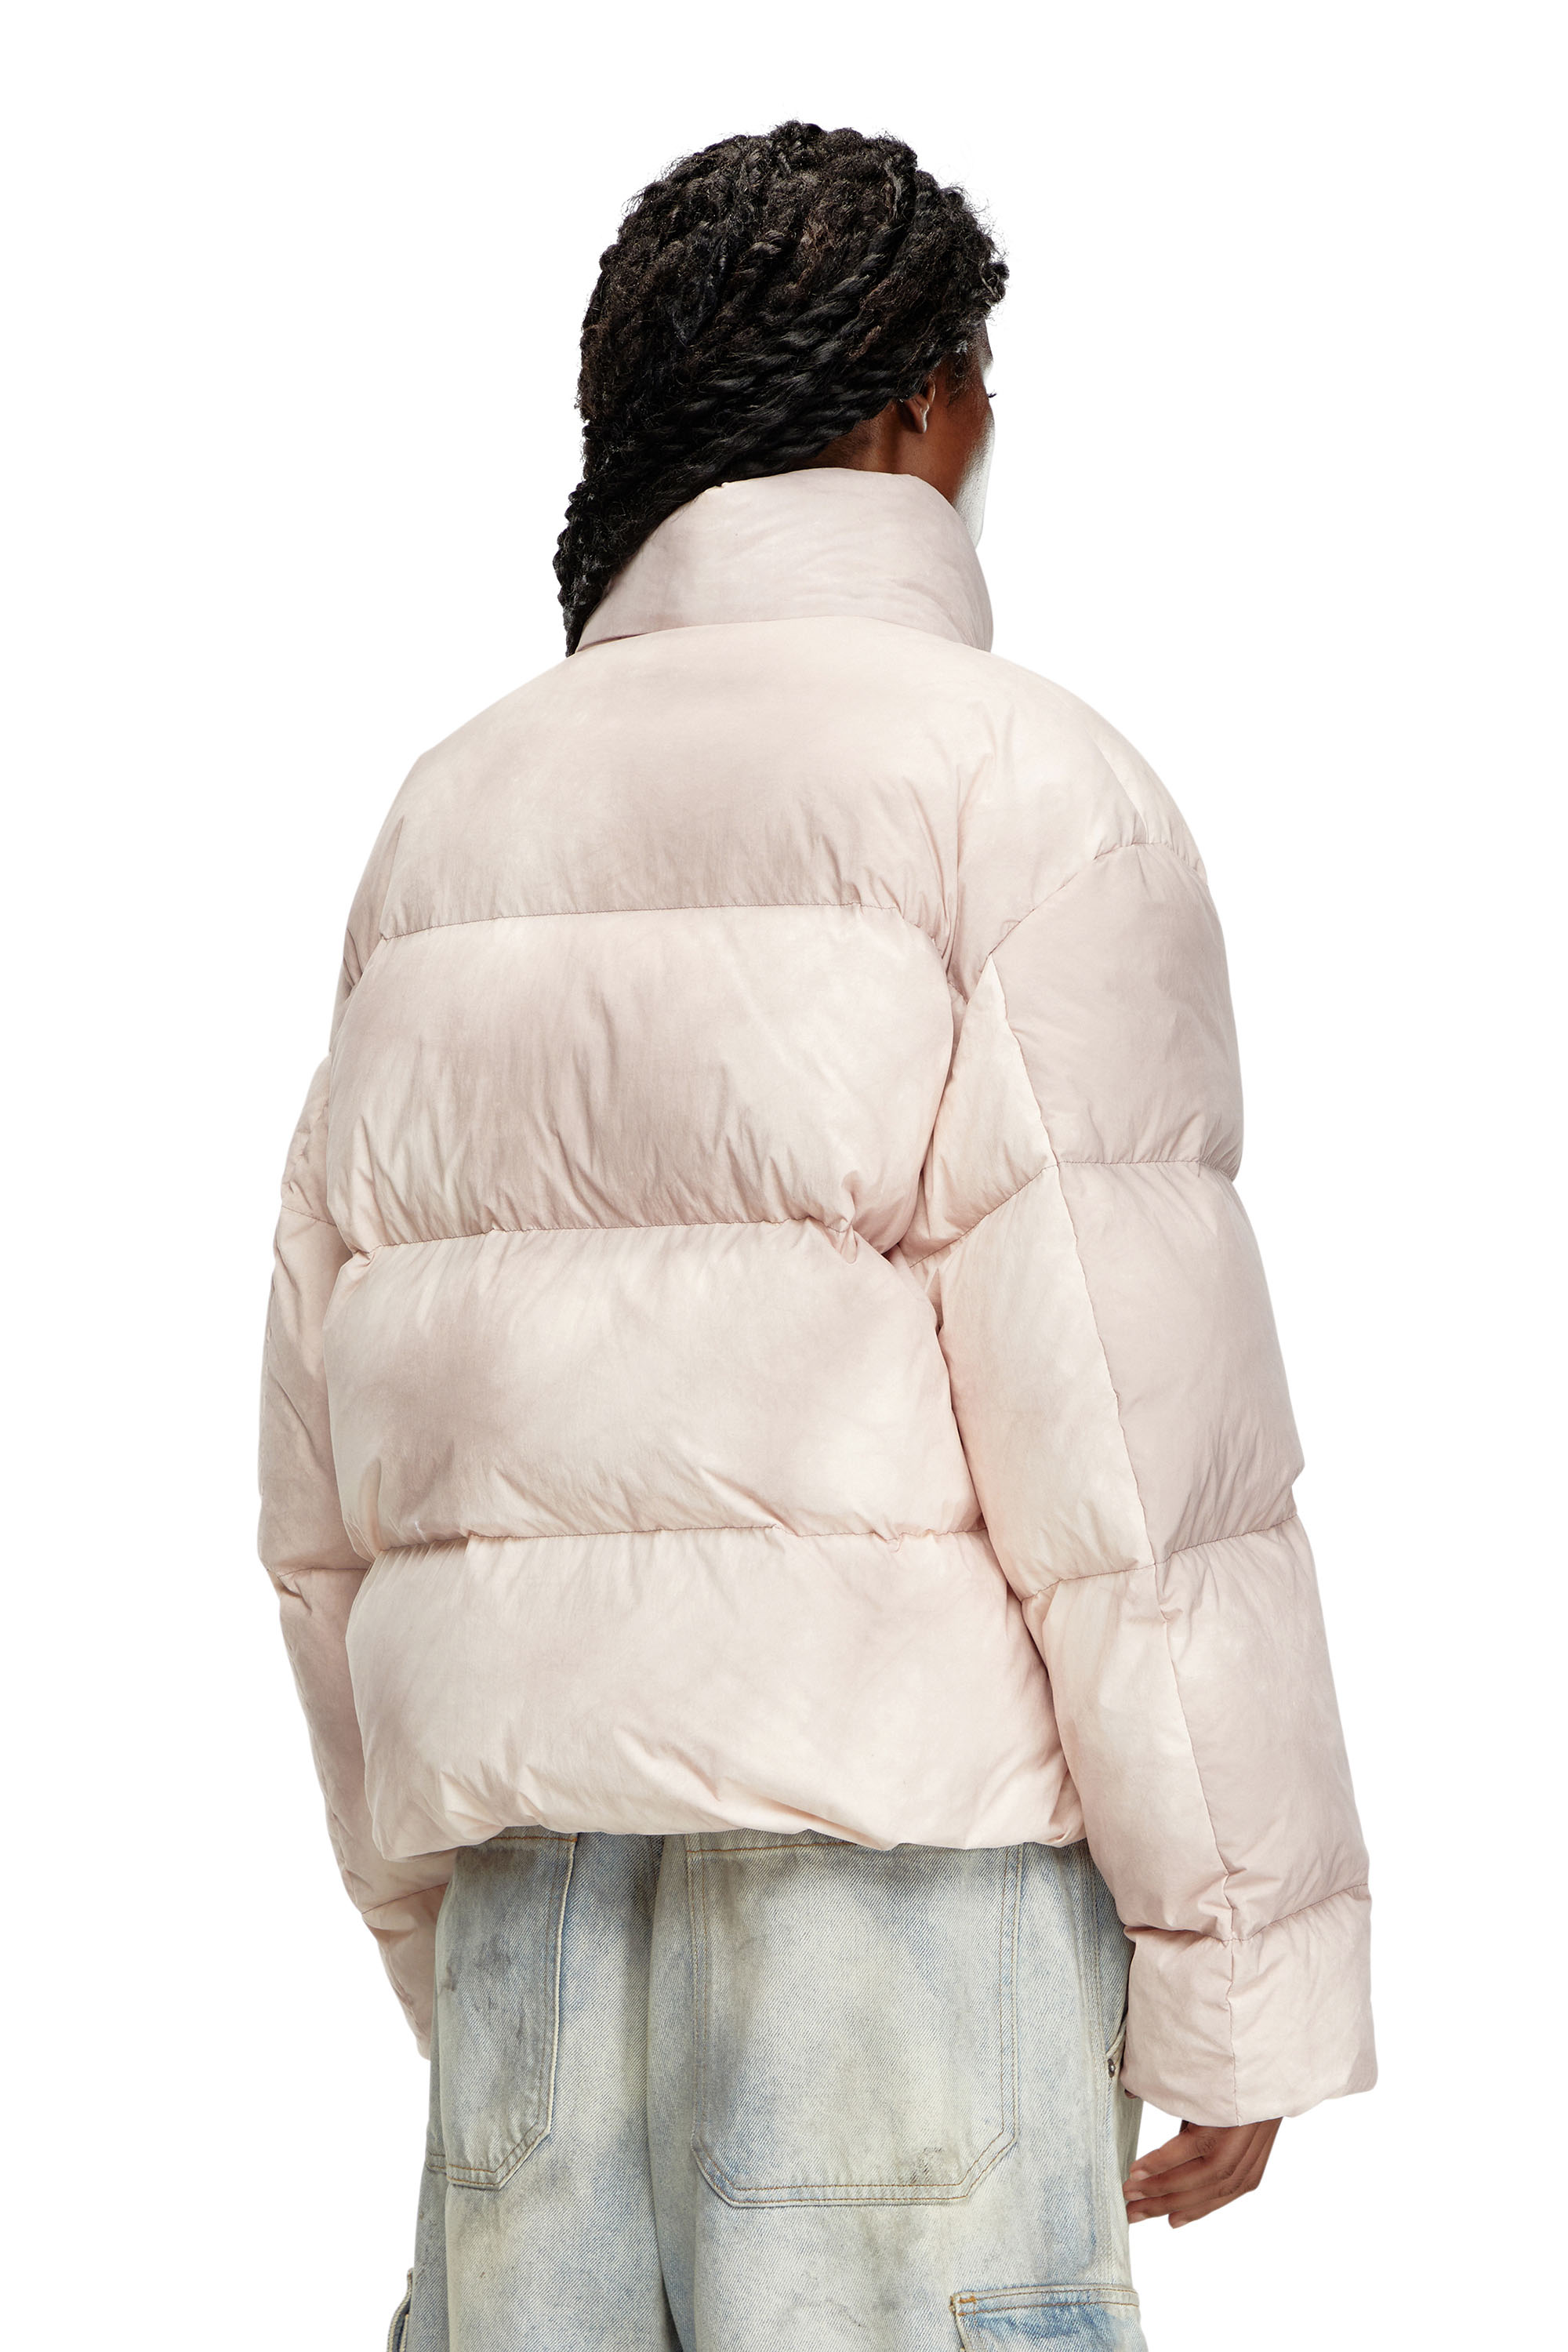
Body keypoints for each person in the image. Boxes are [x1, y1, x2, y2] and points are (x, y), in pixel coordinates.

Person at [259, 122, 1374, 2352]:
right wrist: (1242, 1965)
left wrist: (440, 1926)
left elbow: (327, 1474)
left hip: (533, 1929)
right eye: (982, 386)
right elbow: (1134, 1454)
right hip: (910, 1924)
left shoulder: (453, 817)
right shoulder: (1021, 788)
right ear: (916, 406)